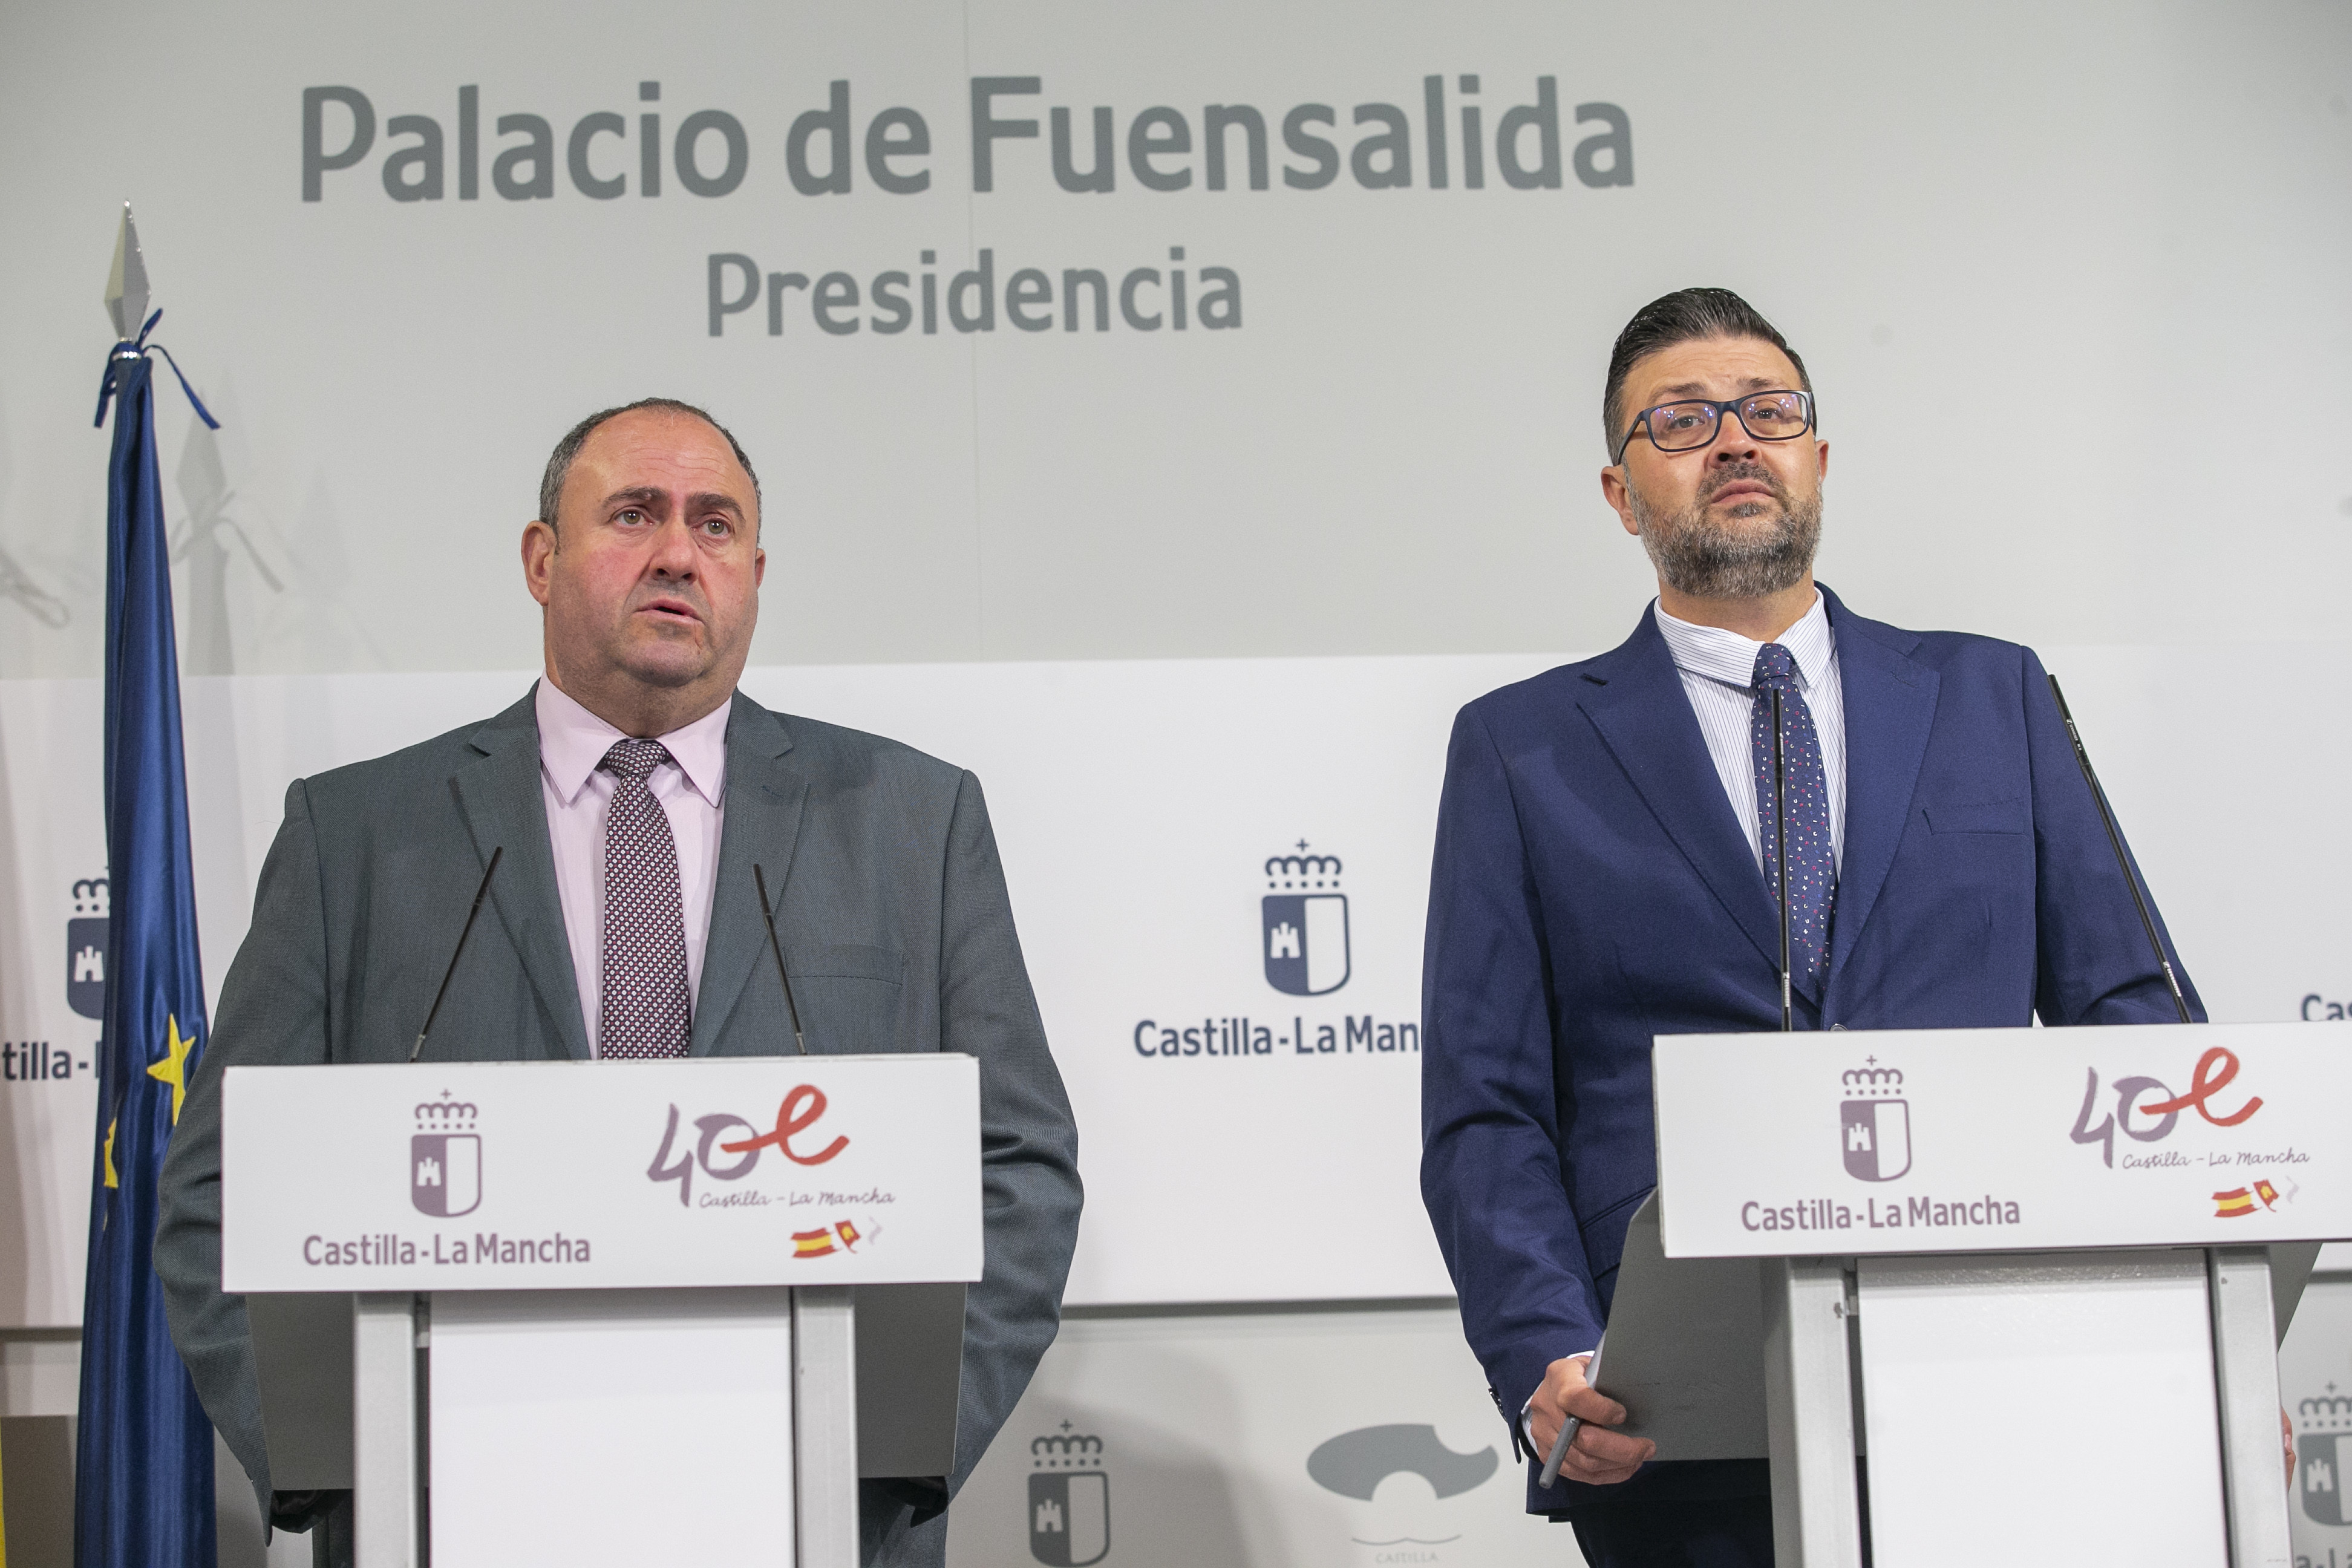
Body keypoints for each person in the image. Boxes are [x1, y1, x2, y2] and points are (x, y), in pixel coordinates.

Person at [155, 397, 1083, 1566]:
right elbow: (222, 1184)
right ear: (541, 561)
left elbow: (1020, 1167)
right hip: (453, 1513)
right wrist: (348, 1459)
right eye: (635, 514)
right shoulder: (355, 837)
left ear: (754, 575)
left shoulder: (913, 822)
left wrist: (886, 1453)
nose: (679, 554)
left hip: (811, 1512)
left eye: (716, 525)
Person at [1417, 289, 2200, 1565]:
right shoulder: (1522, 749)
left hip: (2001, 1377)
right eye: (1681, 421)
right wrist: (1544, 1351)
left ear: (1818, 458)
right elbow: (1486, 1110)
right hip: (1681, 1410)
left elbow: (2134, 1013)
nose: (1734, 439)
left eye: (1768, 411)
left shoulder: (1991, 692)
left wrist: (2197, 1323)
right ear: (1620, 494)